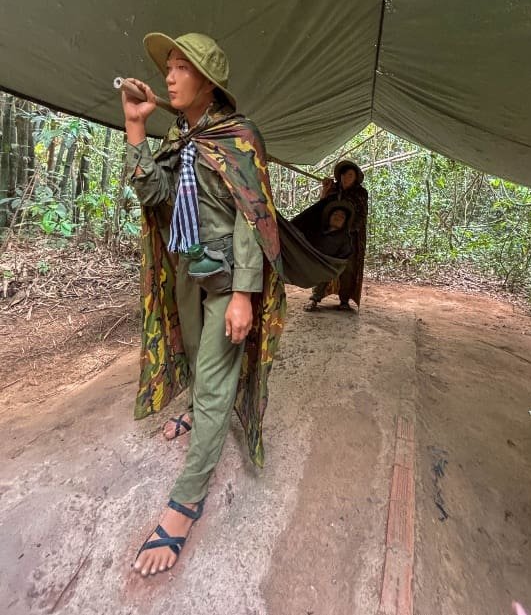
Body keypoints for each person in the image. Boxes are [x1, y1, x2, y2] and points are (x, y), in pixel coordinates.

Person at [121, 32, 286, 577]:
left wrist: (244, 292)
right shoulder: (178, 138)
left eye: (179, 67)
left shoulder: (239, 137)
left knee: (215, 378)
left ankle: (185, 504)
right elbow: (154, 197)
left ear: (207, 80)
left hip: (227, 281)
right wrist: (138, 127)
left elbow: (251, 216)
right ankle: (198, 409)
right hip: (187, 274)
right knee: (196, 357)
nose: (168, 77)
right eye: (166, 67)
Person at [315, 160, 368, 310]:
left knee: (348, 268)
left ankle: (344, 300)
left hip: (351, 237)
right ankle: (316, 296)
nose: (346, 177)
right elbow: (322, 206)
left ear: (355, 178)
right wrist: (325, 189)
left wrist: (347, 229)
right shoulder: (333, 189)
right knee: (325, 264)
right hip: (331, 235)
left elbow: (361, 216)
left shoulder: (361, 193)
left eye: (350, 175)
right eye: (344, 174)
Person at [303, 201, 354, 311]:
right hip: (318, 262)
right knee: (322, 269)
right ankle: (314, 299)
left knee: (347, 271)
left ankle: (344, 301)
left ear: (344, 222)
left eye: (342, 217)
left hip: (335, 264)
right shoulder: (319, 232)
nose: (338, 217)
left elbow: (346, 253)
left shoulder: (345, 237)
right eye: (335, 214)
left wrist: (334, 261)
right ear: (329, 217)